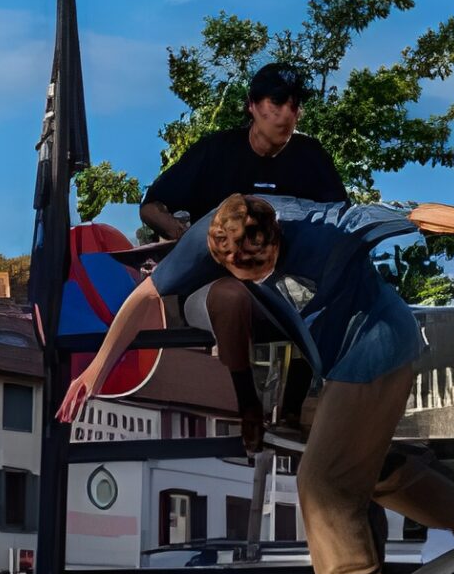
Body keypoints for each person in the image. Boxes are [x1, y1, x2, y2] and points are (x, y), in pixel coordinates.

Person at [63, 193, 454, 574]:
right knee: (364, 469)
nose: (261, 275)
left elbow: (419, 214)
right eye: (247, 272)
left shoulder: (330, 226)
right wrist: (97, 368)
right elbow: (144, 296)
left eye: (266, 263)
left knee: (323, 484)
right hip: (335, 364)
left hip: (380, 346)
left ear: (277, 237)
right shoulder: (213, 235)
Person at [137, 63, 349, 450]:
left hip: (284, 288)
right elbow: (151, 206)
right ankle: (248, 405)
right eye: (277, 103)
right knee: (229, 295)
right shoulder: (215, 151)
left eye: (294, 105)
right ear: (252, 105)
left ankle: (293, 410)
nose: (286, 114)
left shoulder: (311, 157)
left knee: (334, 289)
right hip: (214, 291)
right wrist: (182, 234)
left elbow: (342, 222)